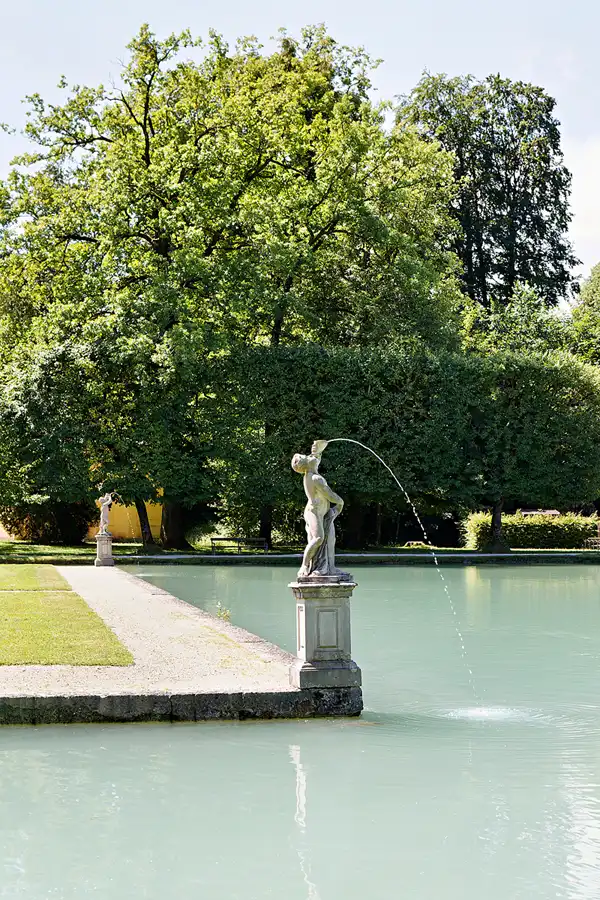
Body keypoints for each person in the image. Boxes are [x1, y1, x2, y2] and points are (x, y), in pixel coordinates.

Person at [291, 444, 347, 578]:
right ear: (307, 464)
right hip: (314, 512)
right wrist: (340, 502)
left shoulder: (312, 471)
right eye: (308, 457)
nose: (311, 456)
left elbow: (316, 457)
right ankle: (304, 565)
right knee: (318, 538)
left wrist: (318, 448)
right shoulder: (315, 478)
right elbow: (330, 495)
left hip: (323, 512)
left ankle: (331, 568)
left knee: (330, 540)